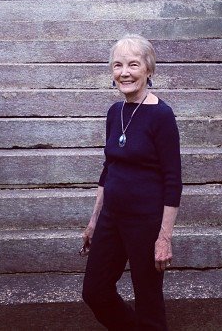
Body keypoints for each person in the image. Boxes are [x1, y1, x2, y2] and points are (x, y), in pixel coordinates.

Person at [81, 34, 182, 330]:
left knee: (149, 303)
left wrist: (164, 237)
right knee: (95, 291)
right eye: (118, 65)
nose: (124, 72)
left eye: (133, 64)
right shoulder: (115, 112)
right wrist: (93, 221)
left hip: (146, 222)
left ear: (148, 69)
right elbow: (108, 168)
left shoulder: (161, 116)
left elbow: (173, 180)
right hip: (112, 217)